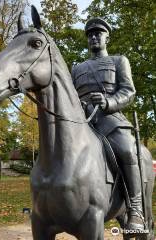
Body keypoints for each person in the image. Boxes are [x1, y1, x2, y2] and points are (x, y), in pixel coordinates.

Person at [71, 17, 144, 231]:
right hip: (82, 122)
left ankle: (136, 210)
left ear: (106, 37)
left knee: (127, 150)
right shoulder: (77, 68)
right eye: (90, 34)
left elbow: (128, 91)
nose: (93, 37)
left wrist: (109, 102)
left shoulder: (119, 61)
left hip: (110, 120)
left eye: (98, 33)